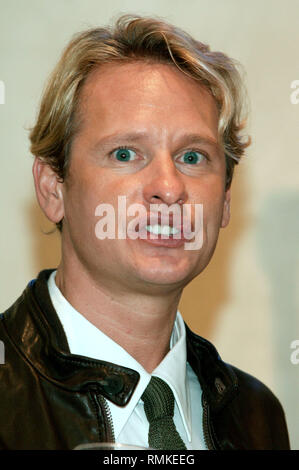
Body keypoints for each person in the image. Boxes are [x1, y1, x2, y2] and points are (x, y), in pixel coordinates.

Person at [0, 14, 290, 450]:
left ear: (225, 201)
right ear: (52, 188)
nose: (169, 188)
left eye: (193, 157)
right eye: (125, 152)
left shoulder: (255, 417)